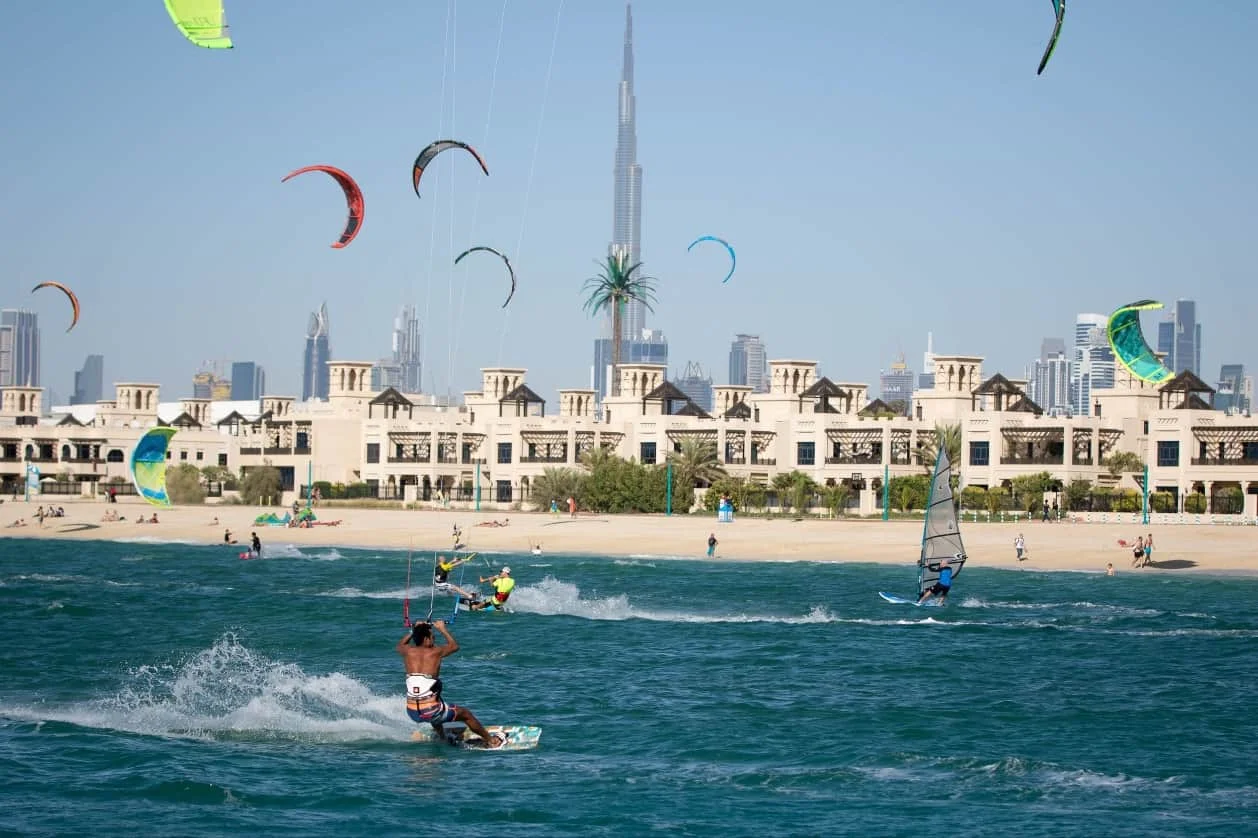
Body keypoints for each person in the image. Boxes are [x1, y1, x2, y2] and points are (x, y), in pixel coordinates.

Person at [396, 620, 502, 748]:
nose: (434, 638)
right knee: (466, 714)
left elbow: (399, 645)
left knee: (436, 699)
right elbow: (454, 646)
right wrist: (442, 629)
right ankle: (490, 740)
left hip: (412, 712)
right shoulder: (435, 652)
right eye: (432, 635)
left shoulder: (407, 651)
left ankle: (442, 737)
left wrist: (414, 629)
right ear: (425, 639)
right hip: (431, 710)